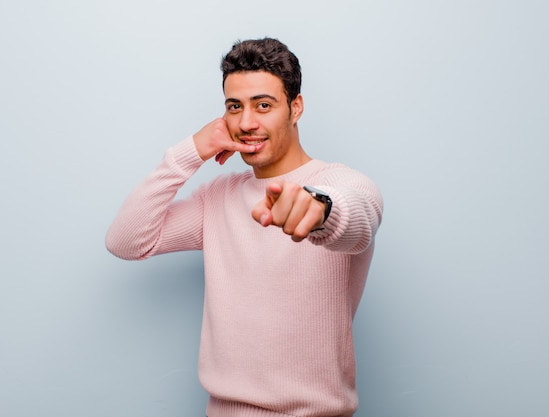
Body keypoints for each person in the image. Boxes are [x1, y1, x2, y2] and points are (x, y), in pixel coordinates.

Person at [106, 38, 383, 417]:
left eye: (263, 105)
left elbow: (358, 218)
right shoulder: (216, 198)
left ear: (295, 107)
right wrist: (191, 151)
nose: (247, 122)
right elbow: (126, 241)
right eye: (234, 107)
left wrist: (319, 211)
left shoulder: (341, 182)